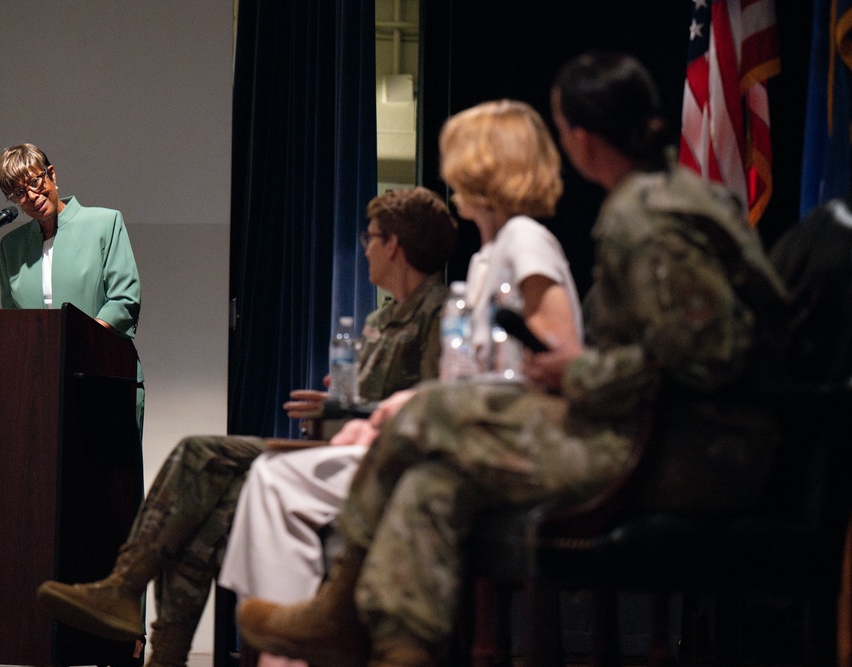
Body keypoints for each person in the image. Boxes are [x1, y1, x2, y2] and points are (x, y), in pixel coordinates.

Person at [236, 51, 788, 667]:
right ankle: (397, 649)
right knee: (430, 484)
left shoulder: (646, 216)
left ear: (579, 138)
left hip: (679, 453)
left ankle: (338, 608)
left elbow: (708, 356)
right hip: (673, 437)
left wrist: (573, 370)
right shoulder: (672, 197)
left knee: (428, 420)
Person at [34, 186, 458, 667]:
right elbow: (365, 407)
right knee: (210, 512)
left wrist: (354, 412)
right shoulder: (381, 321)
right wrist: (336, 409)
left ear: (395, 246)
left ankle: (123, 587)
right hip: (340, 454)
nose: (366, 246)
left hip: (378, 469)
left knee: (198, 453)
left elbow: (430, 410)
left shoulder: (440, 312)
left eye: (373, 237)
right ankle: (165, 652)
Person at [217, 99, 584, 618]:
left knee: (279, 482)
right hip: (464, 432)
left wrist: (406, 411)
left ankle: (315, 629)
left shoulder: (524, 241)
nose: (448, 169)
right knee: (272, 479)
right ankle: (295, 634)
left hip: (500, 444)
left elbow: (556, 363)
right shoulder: (484, 259)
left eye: (458, 153)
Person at [0, 143, 145, 432]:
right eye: (19, 193)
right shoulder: (11, 248)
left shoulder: (104, 223)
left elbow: (124, 301)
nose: (32, 196)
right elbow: (13, 319)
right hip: (41, 389)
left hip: (104, 376)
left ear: (51, 174)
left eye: (36, 182)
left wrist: (75, 346)